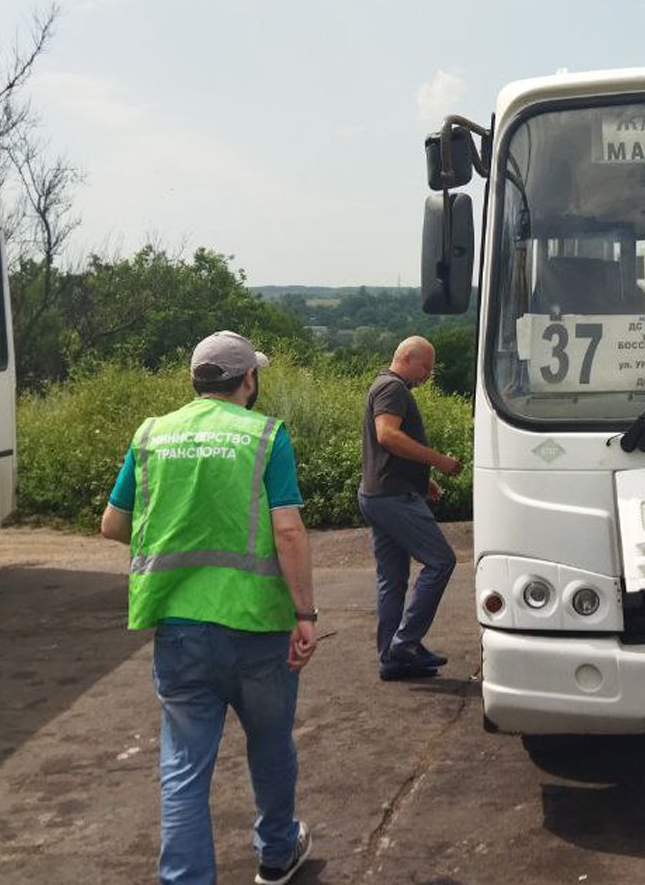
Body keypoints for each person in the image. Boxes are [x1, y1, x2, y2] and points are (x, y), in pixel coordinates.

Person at [100, 330, 316, 885]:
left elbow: (113, 524)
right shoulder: (266, 436)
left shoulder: (152, 436)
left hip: (179, 627)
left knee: (183, 767)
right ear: (248, 380)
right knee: (270, 744)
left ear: (196, 380)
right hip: (257, 627)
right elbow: (287, 531)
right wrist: (305, 614)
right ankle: (275, 853)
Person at [358, 335, 463, 682]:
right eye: (426, 366)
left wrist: (422, 479)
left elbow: (384, 448)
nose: (428, 374)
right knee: (441, 561)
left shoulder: (382, 385)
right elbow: (387, 435)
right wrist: (439, 462)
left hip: (379, 493)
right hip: (392, 498)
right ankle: (405, 643)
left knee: (393, 578)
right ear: (406, 358)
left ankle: (392, 657)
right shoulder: (393, 389)